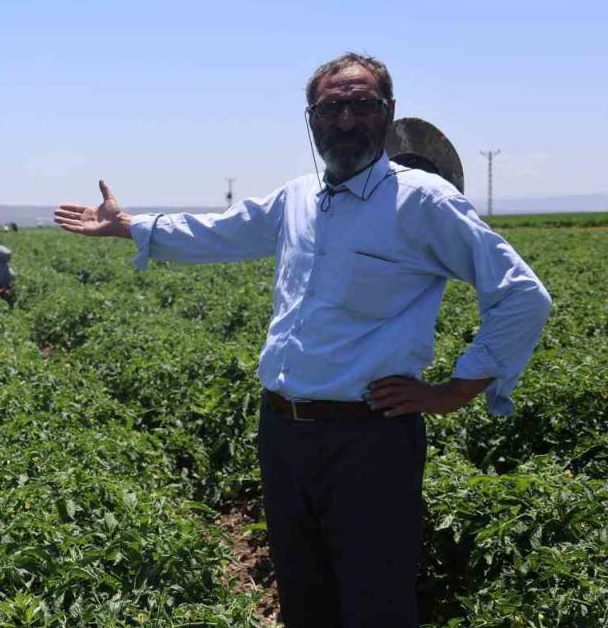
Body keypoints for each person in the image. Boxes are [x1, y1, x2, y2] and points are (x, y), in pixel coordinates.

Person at [53, 52, 551, 628]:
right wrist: (132, 226)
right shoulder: (298, 197)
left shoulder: (423, 201)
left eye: (362, 104)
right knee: (304, 597)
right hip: (284, 432)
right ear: (310, 119)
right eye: (332, 106)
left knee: (375, 604)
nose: (346, 119)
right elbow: (220, 232)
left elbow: (521, 294)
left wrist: (456, 389)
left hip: (370, 440)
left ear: (388, 114)